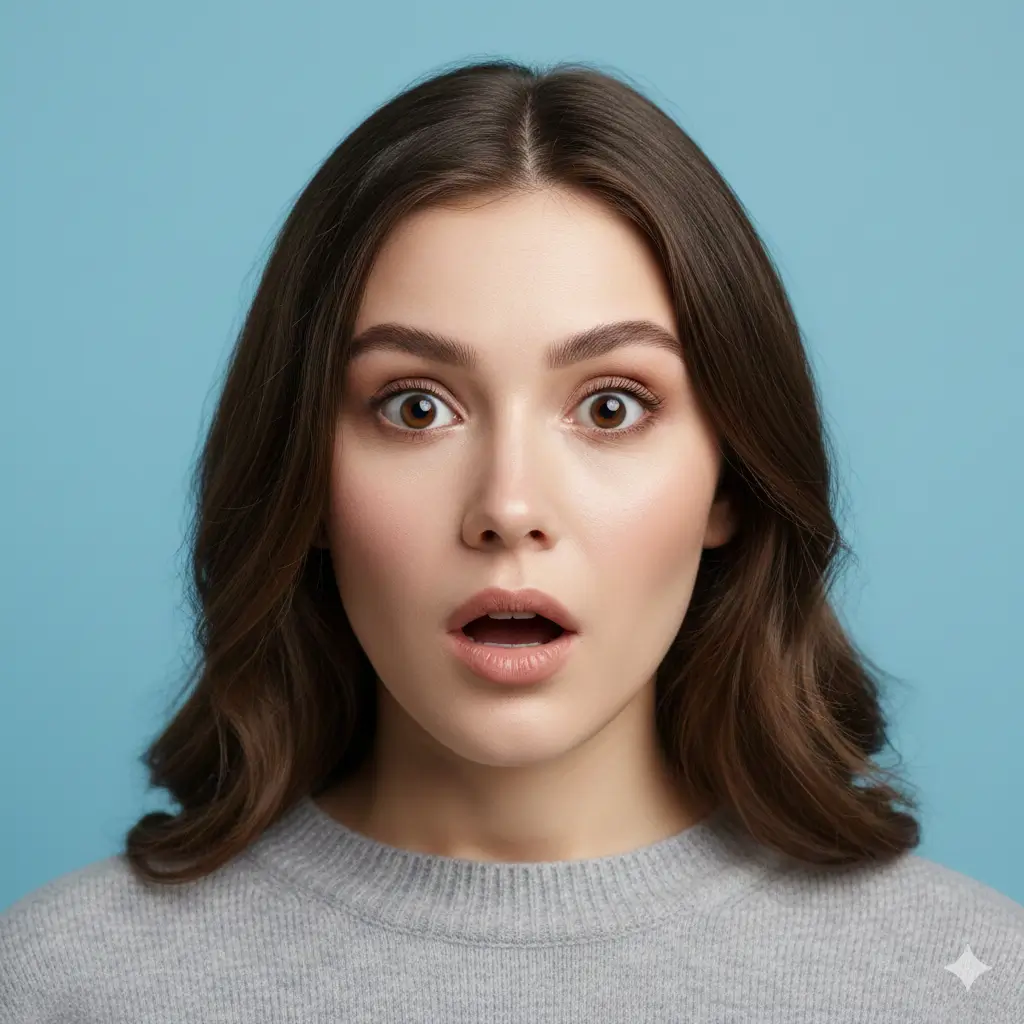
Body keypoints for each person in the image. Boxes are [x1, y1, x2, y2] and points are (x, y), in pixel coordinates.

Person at [2, 58, 1021, 1022]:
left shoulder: (962, 980)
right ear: (305, 480)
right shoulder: (67, 985)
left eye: (612, 407)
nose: (508, 505)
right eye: (413, 407)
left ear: (731, 482)